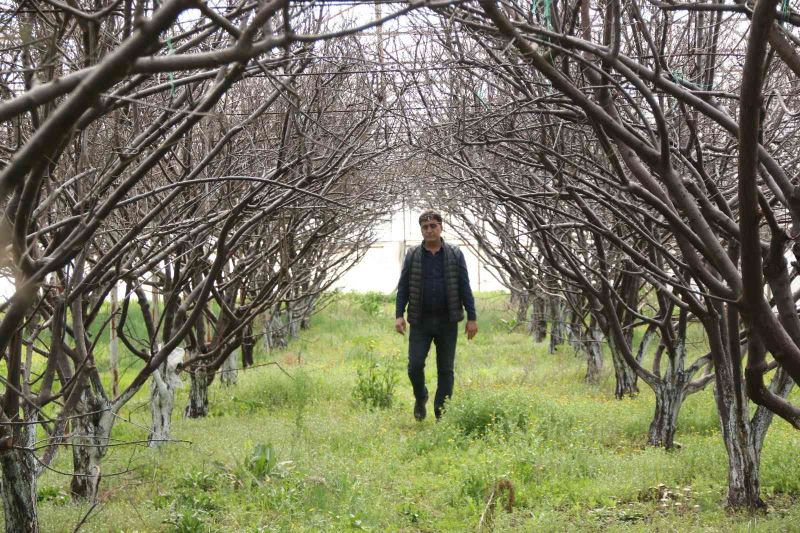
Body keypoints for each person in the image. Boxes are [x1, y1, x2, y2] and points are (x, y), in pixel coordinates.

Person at [395, 210, 478, 421]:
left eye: (433, 226)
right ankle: (420, 396)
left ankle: (441, 413)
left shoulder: (454, 254)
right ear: (421, 230)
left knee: (446, 370)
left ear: (441, 227)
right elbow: (403, 286)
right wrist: (399, 315)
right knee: (414, 366)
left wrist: (472, 317)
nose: (429, 230)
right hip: (420, 321)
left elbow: (464, 286)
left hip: (447, 321)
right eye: (425, 227)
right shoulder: (413, 255)